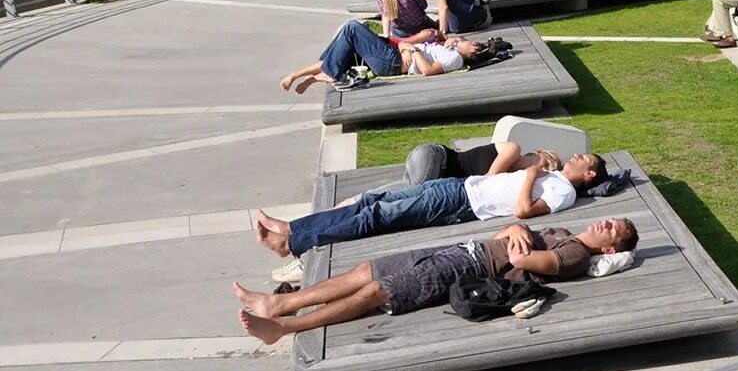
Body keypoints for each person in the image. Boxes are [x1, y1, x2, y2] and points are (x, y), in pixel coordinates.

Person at [233, 216, 639, 346]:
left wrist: (519, 237)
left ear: (609, 249)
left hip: (472, 269)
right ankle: (283, 302)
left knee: (380, 291)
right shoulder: (566, 232)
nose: (606, 222)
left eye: (612, 230)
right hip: (465, 250)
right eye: (612, 220)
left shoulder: (575, 253)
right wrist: (517, 225)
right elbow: (510, 234)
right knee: (367, 271)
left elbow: (525, 259)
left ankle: (283, 327)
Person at [251, 144, 604, 258]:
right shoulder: (553, 179)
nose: (578, 157)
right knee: (372, 200)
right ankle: (293, 231)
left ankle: (293, 238)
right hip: (459, 185)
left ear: (589, 175)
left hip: (460, 204)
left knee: (377, 216)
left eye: (585, 161)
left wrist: (529, 176)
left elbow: (523, 211)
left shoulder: (564, 191)